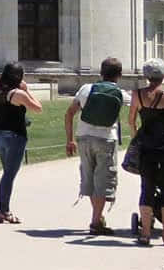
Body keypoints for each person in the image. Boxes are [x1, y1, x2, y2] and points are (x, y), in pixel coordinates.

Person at [65, 57, 125, 235]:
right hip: (106, 139)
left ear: (101, 72)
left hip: (83, 137)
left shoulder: (86, 89)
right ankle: (95, 222)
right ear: (119, 75)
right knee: (102, 181)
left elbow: (69, 114)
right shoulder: (120, 92)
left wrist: (70, 140)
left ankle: (97, 217)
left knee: (90, 179)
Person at [128, 58, 164, 246]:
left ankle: (145, 233)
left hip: (147, 146)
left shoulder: (137, 94)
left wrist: (137, 137)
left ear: (146, 75)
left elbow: (131, 121)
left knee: (147, 188)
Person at [0, 61, 44, 224]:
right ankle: (3, 211)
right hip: (15, 136)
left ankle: (4, 209)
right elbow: (38, 108)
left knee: (7, 172)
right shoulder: (17, 94)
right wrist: (27, 90)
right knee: (8, 175)